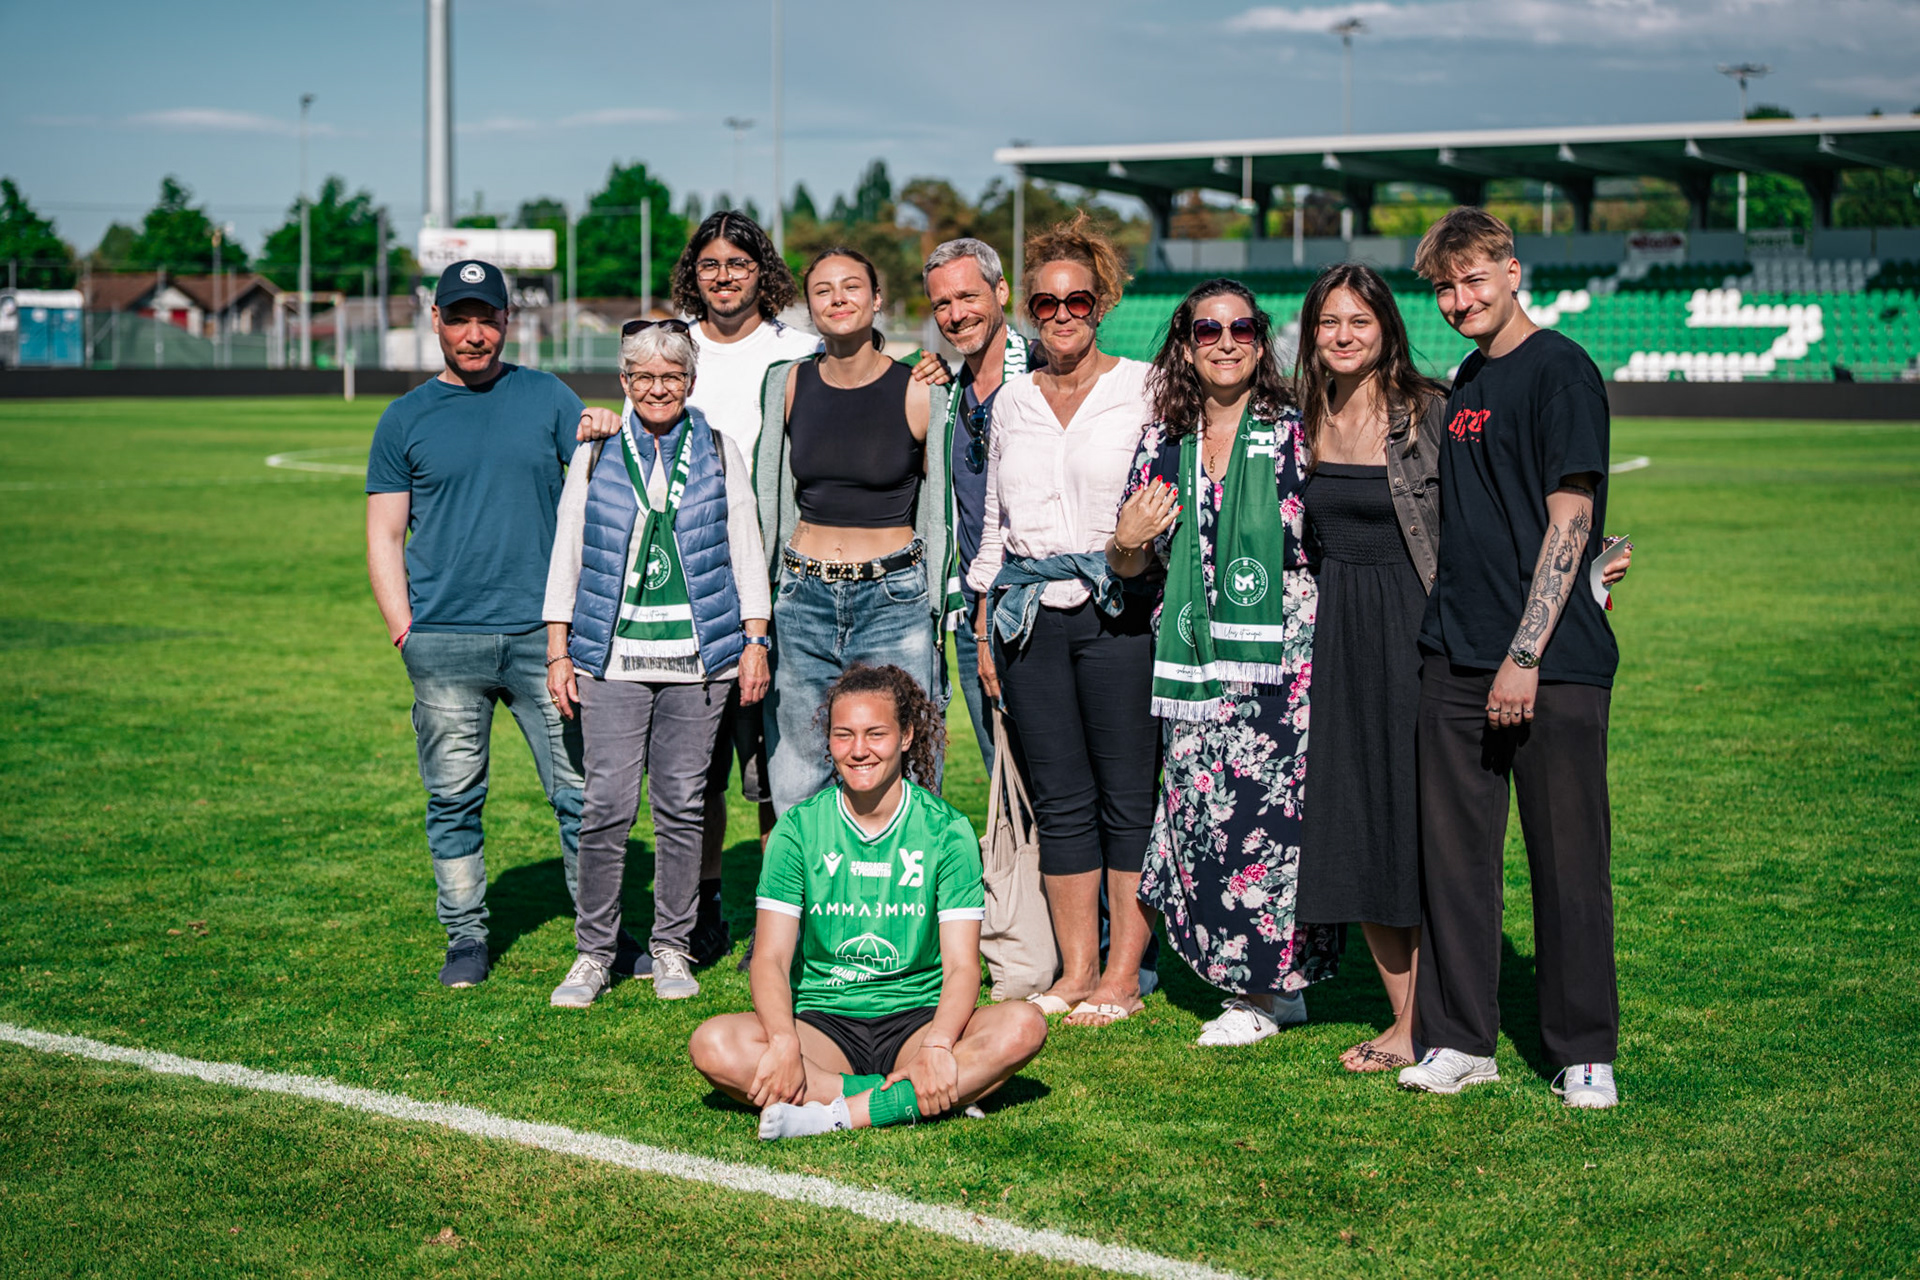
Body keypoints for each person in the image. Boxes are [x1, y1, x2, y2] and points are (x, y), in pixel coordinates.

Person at [1396, 208, 1624, 1109]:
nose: (1459, 300)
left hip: (1549, 664)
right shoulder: (1466, 377)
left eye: (1473, 279)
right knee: (1454, 860)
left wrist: (1525, 654)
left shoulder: (1560, 368)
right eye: (1445, 288)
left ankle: (1584, 1050)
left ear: (1512, 270)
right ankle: (1461, 1039)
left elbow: (1569, 513)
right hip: (1453, 654)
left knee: (1569, 860)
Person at [1109, 278, 1343, 1046]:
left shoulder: (1299, 431)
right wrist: (1126, 540)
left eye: (1241, 328)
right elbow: (1130, 565)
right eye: (1207, 330)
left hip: (1283, 660)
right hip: (1194, 657)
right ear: (1185, 344)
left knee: (1278, 825)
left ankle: (1267, 991)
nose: (1225, 342)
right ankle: (1259, 982)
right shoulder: (1161, 442)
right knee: (1205, 817)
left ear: (1260, 338)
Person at [367, 259, 606, 988]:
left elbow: (605, 494)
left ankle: (599, 938)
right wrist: (405, 628)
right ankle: (466, 937)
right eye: (460, 317)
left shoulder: (548, 396)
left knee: (581, 796)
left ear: (509, 320)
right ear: (434, 320)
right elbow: (384, 535)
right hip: (443, 644)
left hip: (545, 641)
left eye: (488, 318)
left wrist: (604, 431)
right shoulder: (404, 417)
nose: (475, 333)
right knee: (453, 799)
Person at [687, 665, 1048, 1139]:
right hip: (822, 1022)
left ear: (906, 735)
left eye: (876, 733)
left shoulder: (947, 830)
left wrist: (939, 1045)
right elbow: (771, 958)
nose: (859, 750)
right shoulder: (797, 829)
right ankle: (917, 1097)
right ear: (829, 740)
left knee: (1024, 1025)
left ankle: (834, 1113)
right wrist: (781, 1040)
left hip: (919, 1019)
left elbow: (963, 967)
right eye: (844, 735)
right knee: (712, 1044)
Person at [542, 318, 770, 1006]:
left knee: (682, 806)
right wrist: (558, 648)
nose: (657, 388)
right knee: (606, 807)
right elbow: (568, 552)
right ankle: (595, 953)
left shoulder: (722, 451)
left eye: (670, 376)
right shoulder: (594, 452)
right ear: (624, 382)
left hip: (698, 662)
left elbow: (745, 549)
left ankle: (671, 947)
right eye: (643, 377)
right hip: (609, 659)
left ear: (690, 382)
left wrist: (755, 638)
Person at [967, 213, 1159, 1028]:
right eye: (1044, 306)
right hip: (1026, 618)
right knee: (1060, 797)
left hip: (1122, 612)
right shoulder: (1010, 400)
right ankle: (1077, 968)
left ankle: (1125, 969)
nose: (1061, 317)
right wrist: (982, 630)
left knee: (1127, 795)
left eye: (1077, 301)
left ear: (1103, 301)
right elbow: (991, 527)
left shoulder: (1146, 387)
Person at [754, 248, 953, 815]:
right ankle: (816, 901)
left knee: (905, 769)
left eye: (851, 287)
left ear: (876, 300)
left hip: (894, 600)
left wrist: (939, 606)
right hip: (802, 599)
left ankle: (902, 900)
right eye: (823, 290)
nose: (838, 299)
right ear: (810, 306)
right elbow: (770, 494)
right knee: (797, 772)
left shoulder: (921, 387)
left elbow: (941, 509)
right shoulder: (786, 384)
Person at [920, 237, 1043, 774]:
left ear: (1001, 291)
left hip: (1040, 609)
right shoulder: (948, 393)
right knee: (1003, 781)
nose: (955, 314)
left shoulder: (1045, 369)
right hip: (974, 620)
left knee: (1053, 777)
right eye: (941, 304)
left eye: (968, 297)